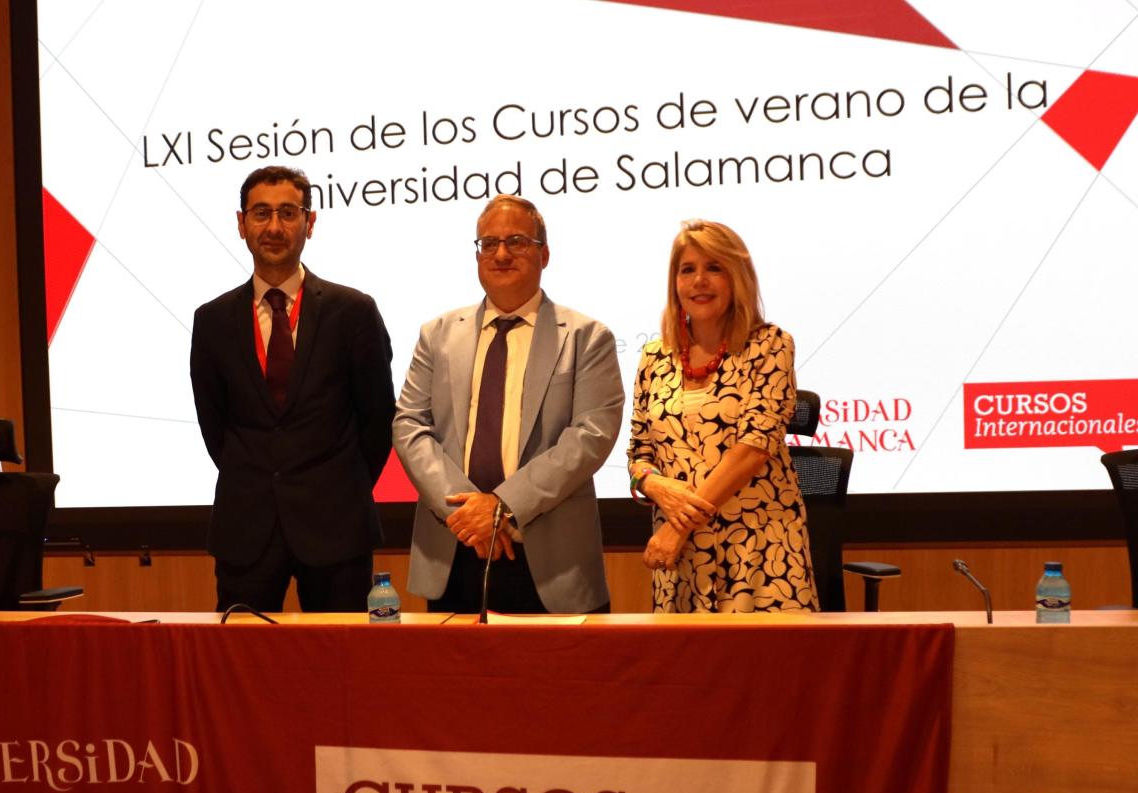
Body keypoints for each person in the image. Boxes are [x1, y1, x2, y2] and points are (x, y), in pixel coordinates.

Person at [393, 195, 624, 614]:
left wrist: (501, 506)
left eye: (517, 241)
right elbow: (410, 425)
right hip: (456, 545)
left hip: (550, 560)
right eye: (488, 243)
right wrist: (468, 512)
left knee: (563, 680)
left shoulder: (587, 337)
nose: (500, 254)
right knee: (454, 679)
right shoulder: (437, 334)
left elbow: (591, 437)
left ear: (545, 254)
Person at [190, 165, 395, 612]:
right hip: (246, 528)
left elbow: (379, 419)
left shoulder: (354, 312)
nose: (274, 227)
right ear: (241, 224)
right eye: (261, 214)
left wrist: (340, 486)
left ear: (310, 222)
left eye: (288, 213)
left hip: (337, 528)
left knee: (340, 670)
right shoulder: (213, 321)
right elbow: (214, 425)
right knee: (241, 669)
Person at [628, 220, 819, 612]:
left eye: (714, 268)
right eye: (688, 269)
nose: (700, 281)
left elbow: (754, 447)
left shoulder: (769, 345)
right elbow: (638, 455)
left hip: (759, 552)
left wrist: (676, 527)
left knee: (768, 673)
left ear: (737, 278)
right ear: (675, 282)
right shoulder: (654, 357)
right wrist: (655, 486)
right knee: (683, 674)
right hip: (681, 561)